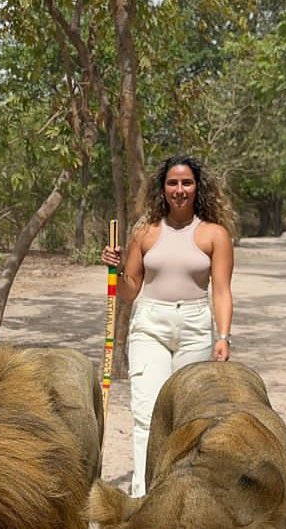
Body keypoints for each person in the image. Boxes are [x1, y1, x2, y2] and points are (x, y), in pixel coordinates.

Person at [101, 154, 235, 497]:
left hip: (195, 325)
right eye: (172, 183)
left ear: (197, 187)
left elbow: (221, 290)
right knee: (147, 414)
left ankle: (183, 491)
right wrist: (115, 270)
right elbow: (130, 291)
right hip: (150, 324)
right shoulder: (145, 233)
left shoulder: (214, 235)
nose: (179, 190)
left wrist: (223, 336)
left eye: (186, 183)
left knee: (189, 415)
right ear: (162, 188)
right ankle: (143, 496)